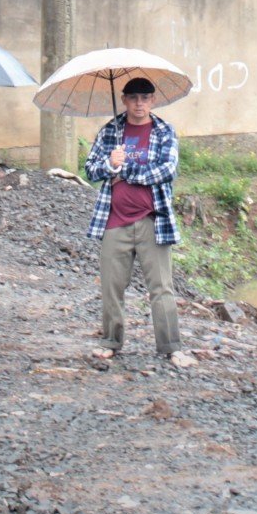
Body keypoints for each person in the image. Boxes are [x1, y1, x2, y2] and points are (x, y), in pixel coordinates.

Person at [84, 77, 181, 363]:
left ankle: (171, 346)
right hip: (115, 220)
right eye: (134, 98)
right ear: (125, 99)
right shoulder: (110, 132)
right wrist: (109, 164)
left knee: (161, 287)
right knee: (111, 286)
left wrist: (124, 173)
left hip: (153, 219)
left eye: (146, 98)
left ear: (153, 101)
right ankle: (111, 341)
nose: (140, 104)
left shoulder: (164, 131)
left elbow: (166, 170)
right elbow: (90, 170)